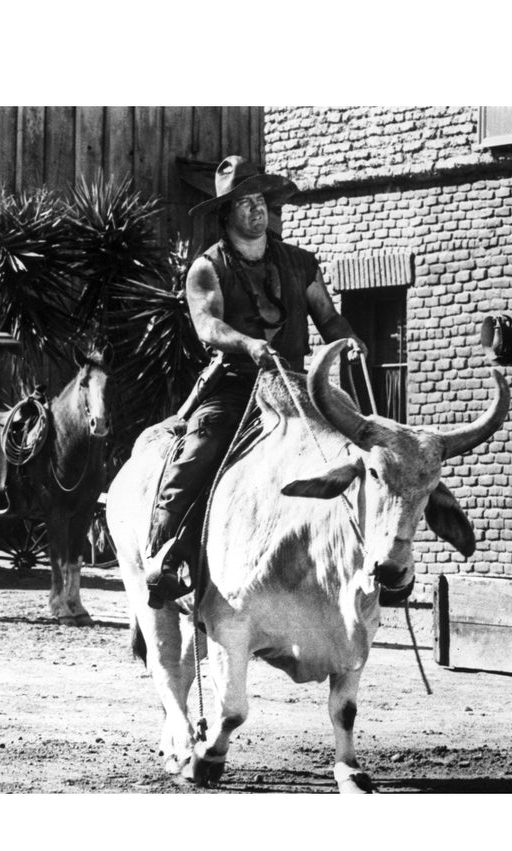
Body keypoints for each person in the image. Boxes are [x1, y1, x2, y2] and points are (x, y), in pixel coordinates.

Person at [145, 155, 367, 606]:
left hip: (297, 388)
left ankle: (363, 554)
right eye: (244, 202)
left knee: (361, 449)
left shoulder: (301, 264)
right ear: (226, 213)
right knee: (195, 456)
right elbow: (207, 326)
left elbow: (328, 317)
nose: (256, 209)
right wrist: (248, 344)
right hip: (234, 385)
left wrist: (351, 341)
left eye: (260, 200)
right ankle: (165, 556)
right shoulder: (206, 268)